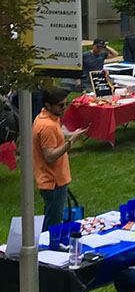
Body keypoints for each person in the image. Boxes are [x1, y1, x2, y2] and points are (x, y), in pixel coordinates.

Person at [32, 87, 87, 230]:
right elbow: (49, 156)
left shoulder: (45, 118)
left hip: (52, 180)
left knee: (51, 217)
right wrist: (71, 141)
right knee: (54, 224)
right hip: (53, 181)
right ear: (48, 105)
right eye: (61, 105)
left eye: (66, 104)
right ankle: (49, 249)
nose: (64, 108)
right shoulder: (47, 126)